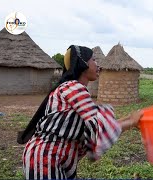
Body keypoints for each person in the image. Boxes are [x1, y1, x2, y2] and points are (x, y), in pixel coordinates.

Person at [17, 45, 143, 179]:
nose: (97, 64)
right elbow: (97, 128)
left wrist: (129, 119)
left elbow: (95, 124)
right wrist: (131, 122)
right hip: (45, 159)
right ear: (82, 64)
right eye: (93, 60)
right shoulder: (73, 87)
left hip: (57, 159)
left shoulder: (74, 90)